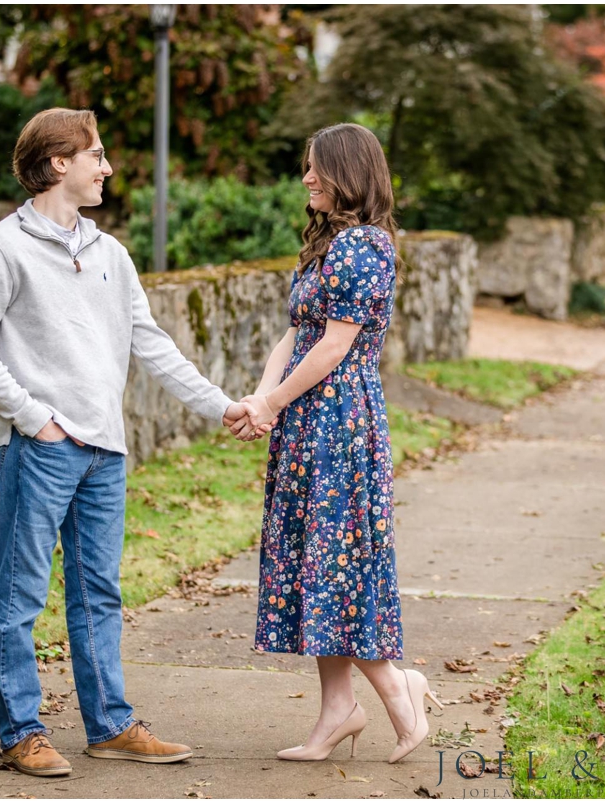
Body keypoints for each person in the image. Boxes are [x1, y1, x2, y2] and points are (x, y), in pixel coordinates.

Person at [0, 108, 258, 777]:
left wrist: (224, 405)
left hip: (105, 453)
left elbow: (152, 345)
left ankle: (111, 724)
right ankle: (20, 730)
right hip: (42, 448)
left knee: (98, 592)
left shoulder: (110, 254)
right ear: (60, 163)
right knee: (19, 595)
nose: (108, 167)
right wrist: (37, 419)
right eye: (97, 155)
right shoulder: (0, 251)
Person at [231, 123, 442, 764]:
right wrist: (260, 400)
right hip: (306, 420)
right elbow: (295, 335)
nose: (306, 179)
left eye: (316, 168)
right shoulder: (329, 247)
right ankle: (337, 711)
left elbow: (334, 345)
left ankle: (396, 688)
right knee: (316, 565)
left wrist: (272, 403)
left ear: (347, 172)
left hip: (340, 425)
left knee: (339, 564)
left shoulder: (363, 249)